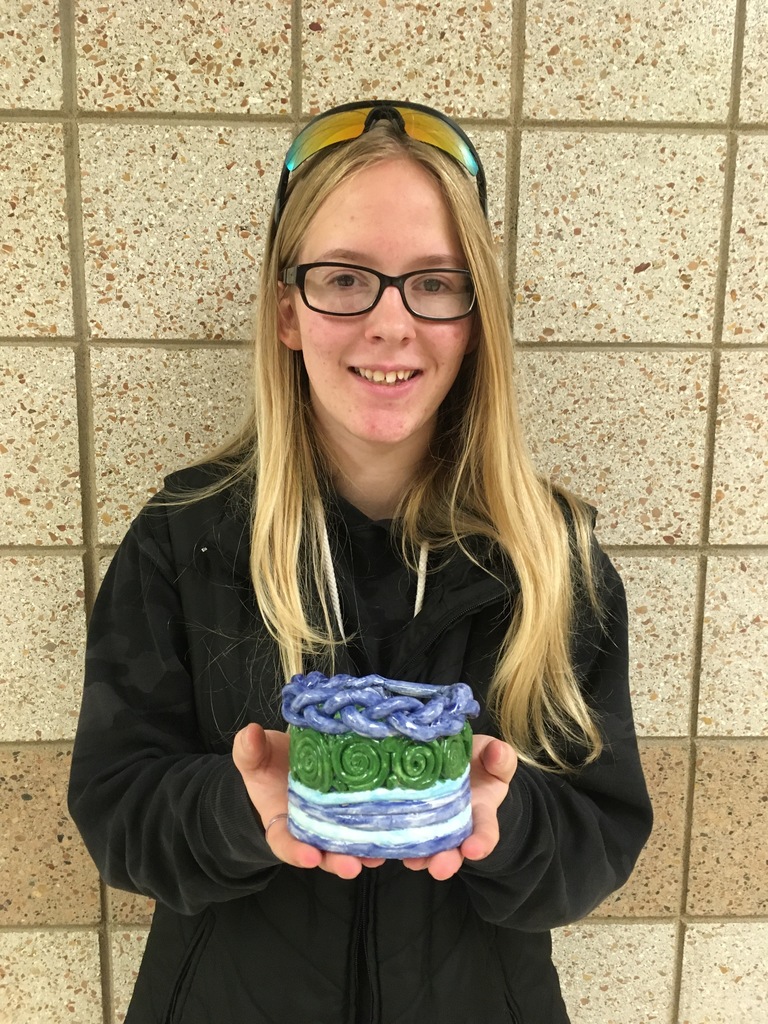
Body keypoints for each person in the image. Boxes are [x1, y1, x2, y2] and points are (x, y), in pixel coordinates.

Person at [68, 100, 653, 1024]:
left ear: (475, 318)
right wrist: (237, 807)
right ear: (288, 312)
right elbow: (115, 811)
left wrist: (506, 828)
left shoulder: (556, 559)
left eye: (434, 281)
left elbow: (601, 836)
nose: (390, 323)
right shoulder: (186, 536)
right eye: (345, 279)